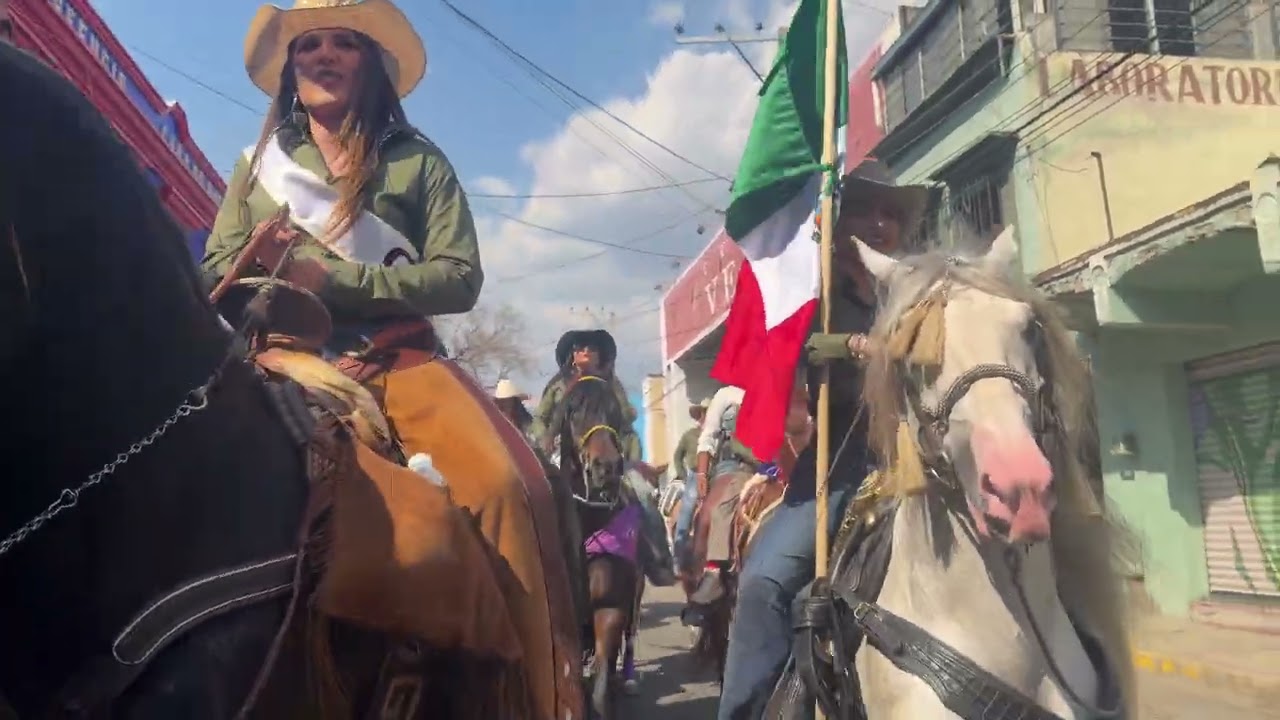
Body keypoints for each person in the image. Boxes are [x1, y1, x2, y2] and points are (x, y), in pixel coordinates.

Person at [198, 3, 579, 718]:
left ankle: (540, 695)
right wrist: (257, 265)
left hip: (396, 361)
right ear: (291, 67)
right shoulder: (258, 167)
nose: (323, 55)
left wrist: (339, 280)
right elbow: (216, 265)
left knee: (510, 485)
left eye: (343, 43)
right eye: (309, 45)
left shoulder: (418, 161)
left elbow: (459, 277)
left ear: (369, 63)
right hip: (283, 359)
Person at [717, 158, 928, 719]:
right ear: (837, 220)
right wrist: (856, 346)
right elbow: (791, 346)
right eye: (863, 210)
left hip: (925, 456)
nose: (879, 224)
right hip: (840, 466)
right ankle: (743, 710)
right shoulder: (813, 288)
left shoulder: (915, 289)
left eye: (890, 213)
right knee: (763, 584)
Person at [533, 329, 675, 586]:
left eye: (592, 348)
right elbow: (541, 419)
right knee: (536, 496)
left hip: (608, 453)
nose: (585, 352)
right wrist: (545, 438)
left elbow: (626, 420)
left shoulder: (611, 385)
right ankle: (531, 564)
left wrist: (628, 453)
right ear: (571, 355)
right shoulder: (557, 385)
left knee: (643, 492)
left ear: (601, 355)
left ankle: (658, 560)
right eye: (580, 348)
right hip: (564, 454)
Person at [685, 383, 754, 607]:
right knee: (710, 511)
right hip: (733, 465)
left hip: (774, 462)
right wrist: (702, 473)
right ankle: (711, 571)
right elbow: (708, 437)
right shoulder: (726, 394)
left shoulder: (774, 388)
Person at [670, 399, 708, 571]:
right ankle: (677, 557)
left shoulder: (719, 434)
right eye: (704, 412)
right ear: (700, 415)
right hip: (694, 475)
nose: (707, 416)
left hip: (715, 473)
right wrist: (683, 475)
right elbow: (677, 456)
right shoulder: (689, 435)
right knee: (688, 506)